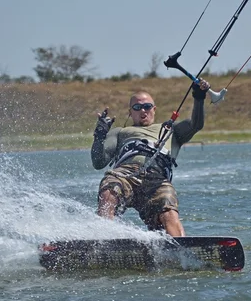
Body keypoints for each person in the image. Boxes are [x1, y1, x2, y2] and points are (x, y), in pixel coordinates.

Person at [90, 79, 211, 237]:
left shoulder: (170, 130)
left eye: (147, 107)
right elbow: (99, 162)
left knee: (168, 211)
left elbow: (196, 124)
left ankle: (180, 251)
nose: (143, 111)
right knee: (109, 193)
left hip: (157, 179)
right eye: (137, 107)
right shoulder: (120, 132)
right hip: (125, 175)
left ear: (154, 109)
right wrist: (99, 136)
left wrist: (199, 96)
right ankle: (102, 241)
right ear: (130, 112)